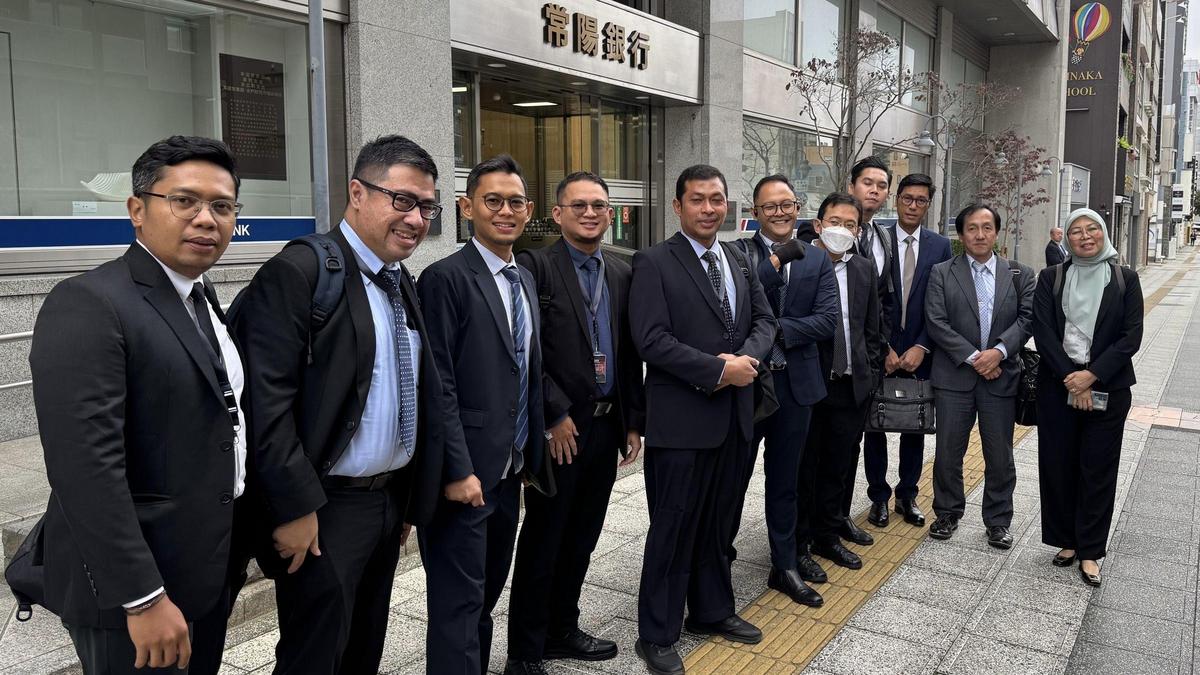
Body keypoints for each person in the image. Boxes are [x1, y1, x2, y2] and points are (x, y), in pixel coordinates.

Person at [29, 136, 246, 674]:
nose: (206, 219)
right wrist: (142, 597)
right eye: (184, 201)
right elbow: (85, 466)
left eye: (222, 206)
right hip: (136, 594)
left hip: (202, 570)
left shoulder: (198, 295)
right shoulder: (90, 302)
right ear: (137, 210)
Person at [230, 135, 445, 673]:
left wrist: (404, 502)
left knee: (362, 649)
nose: (416, 219)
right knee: (314, 654)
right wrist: (294, 508)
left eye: (426, 207)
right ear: (357, 192)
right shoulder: (302, 271)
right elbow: (265, 405)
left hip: (384, 503)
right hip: (323, 510)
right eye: (402, 200)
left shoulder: (399, 280)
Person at [629, 164, 776, 675]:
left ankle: (712, 610)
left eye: (717, 199)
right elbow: (651, 340)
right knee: (673, 528)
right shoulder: (653, 262)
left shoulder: (737, 257)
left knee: (719, 522)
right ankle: (657, 633)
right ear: (677, 205)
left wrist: (746, 361)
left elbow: (766, 320)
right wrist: (717, 370)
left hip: (735, 417)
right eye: (698, 199)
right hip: (681, 422)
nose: (709, 208)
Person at [417, 154, 552, 674]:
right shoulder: (445, 278)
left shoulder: (523, 278)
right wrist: (457, 469)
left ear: (529, 211)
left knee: (487, 592)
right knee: (459, 603)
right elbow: (439, 384)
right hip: (465, 474)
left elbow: (526, 370)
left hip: (509, 468)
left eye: (515, 202)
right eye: (492, 200)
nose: (505, 211)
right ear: (466, 207)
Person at [506, 172, 645, 674]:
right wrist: (553, 414)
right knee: (544, 538)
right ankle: (525, 650)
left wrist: (633, 420)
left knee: (583, 536)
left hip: (606, 427)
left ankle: (562, 628)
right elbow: (524, 348)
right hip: (561, 430)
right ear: (557, 214)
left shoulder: (621, 272)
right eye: (579, 205)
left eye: (599, 205)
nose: (590, 213)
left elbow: (627, 353)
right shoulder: (535, 267)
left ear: (611, 214)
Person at [732, 174, 838, 603]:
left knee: (786, 479)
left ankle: (785, 564)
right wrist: (775, 262)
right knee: (734, 479)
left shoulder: (817, 259)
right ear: (755, 212)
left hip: (796, 385)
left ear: (798, 208)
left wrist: (772, 328)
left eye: (787, 204)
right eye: (770, 206)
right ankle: (717, 558)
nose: (780, 213)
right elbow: (739, 307)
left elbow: (826, 320)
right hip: (749, 384)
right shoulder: (738, 254)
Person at [1034, 208, 1142, 587]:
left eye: (1092, 229)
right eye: (1076, 231)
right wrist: (1072, 379)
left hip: (1108, 388)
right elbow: (1043, 332)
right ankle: (1066, 540)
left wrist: (1090, 377)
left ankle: (1091, 550)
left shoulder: (1125, 279)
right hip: (1058, 386)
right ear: (1066, 238)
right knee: (1059, 465)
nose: (1085, 236)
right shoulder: (1052, 277)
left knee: (1097, 470)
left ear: (1104, 233)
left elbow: (1130, 337)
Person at [924, 204, 1035, 549]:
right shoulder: (942, 272)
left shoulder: (1019, 274)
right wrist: (976, 358)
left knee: (999, 456)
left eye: (987, 227)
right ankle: (947, 512)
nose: (980, 234)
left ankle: (998, 521)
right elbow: (936, 322)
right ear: (961, 234)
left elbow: (1028, 319)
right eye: (972, 228)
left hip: (1000, 377)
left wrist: (998, 352)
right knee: (947, 452)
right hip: (954, 378)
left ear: (996, 233)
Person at [795, 193, 886, 574]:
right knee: (804, 468)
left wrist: (871, 374)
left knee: (838, 466)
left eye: (850, 225)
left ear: (859, 231)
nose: (842, 230)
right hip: (809, 385)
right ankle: (798, 544)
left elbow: (872, 329)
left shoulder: (863, 268)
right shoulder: (799, 262)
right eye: (835, 222)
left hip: (850, 385)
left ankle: (828, 536)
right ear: (818, 225)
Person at [862, 174, 951, 529]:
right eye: (907, 198)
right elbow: (868, 298)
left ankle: (907, 495)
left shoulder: (940, 246)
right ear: (896, 199)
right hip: (881, 351)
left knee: (916, 425)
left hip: (919, 351)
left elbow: (942, 302)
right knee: (875, 426)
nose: (913, 206)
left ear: (928, 205)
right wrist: (882, 345)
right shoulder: (877, 238)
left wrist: (923, 345)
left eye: (921, 200)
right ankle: (878, 498)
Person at [840, 155, 897, 546]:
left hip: (866, 362)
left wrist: (881, 349)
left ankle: (839, 516)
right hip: (831, 361)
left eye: (881, 185)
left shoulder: (882, 237)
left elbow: (883, 301)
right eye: (867, 183)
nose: (874, 190)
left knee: (851, 445)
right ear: (851, 186)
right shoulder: (824, 231)